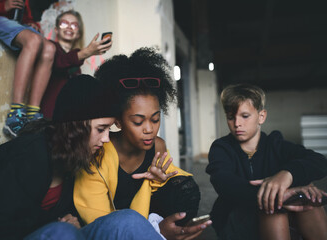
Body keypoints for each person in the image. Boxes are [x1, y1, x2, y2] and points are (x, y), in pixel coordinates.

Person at [0, 74, 164, 240]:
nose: (106, 139)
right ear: (76, 128)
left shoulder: (78, 157)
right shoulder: (23, 156)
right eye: (101, 129)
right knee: (63, 232)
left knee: (127, 220)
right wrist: (55, 224)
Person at [74, 47, 212, 240]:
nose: (149, 129)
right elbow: (100, 222)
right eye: (138, 122)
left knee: (184, 187)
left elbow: (170, 190)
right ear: (118, 121)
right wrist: (156, 232)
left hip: (147, 215)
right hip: (113, 225)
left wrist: (158, 182)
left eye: (155, 119)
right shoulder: (98, 151)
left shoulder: (158, 147)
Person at [206, 83, 327, 240]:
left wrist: (287, 175)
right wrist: (278, 196)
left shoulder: (276, 144)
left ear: (261, 116)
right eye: (230, 117)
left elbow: (319, 161)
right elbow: (225, 183)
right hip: (235, 218)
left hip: (284, 216)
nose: (237, 124)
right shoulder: (221, 148)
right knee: (273, 210)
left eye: (244, 116)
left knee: (309, 204)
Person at [0, 0, 56, 137]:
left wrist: (30, 22)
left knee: (50, 49)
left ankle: (32, 114)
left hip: (13, 25)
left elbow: (23, 12)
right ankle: (16, 114)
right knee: (33, 41)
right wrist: (2, 7)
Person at [40, 10, 112, 119]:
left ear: (78, 33)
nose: (69, 27)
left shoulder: (76, 60)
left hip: (66, 118)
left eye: (74, 25)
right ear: (56, 30)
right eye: (64, 23)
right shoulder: (49, 47)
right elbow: (59, 63)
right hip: (47, 114)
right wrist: (87, 52)